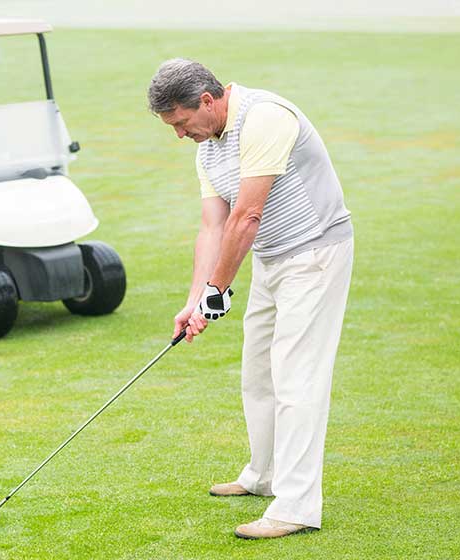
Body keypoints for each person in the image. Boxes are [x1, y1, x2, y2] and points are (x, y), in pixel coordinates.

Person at [147, 59, 354, 539]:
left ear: (206, 100)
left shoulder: (265, 117)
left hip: (315, 253)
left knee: (297, 378)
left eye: (180, 123)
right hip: (271, 259)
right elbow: (212, 226)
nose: (179, 135)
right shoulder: (207, 150)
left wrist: (216, 293)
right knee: (257, 371)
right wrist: (195, 297)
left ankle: (297, 506)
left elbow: (247, 216)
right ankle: (264, 475)